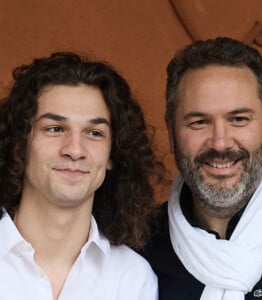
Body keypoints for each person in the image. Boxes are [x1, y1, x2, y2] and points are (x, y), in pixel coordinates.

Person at [142, 37, 262, 300]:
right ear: (171, 133)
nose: (220, 142)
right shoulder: (141, 247)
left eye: (238, 119)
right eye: (199, 122)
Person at [0, 52, 163, 299]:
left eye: (94, 133)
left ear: (112, 154)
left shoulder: (132, 279)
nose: (75, 150)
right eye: (55, 129)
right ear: (20, 143)